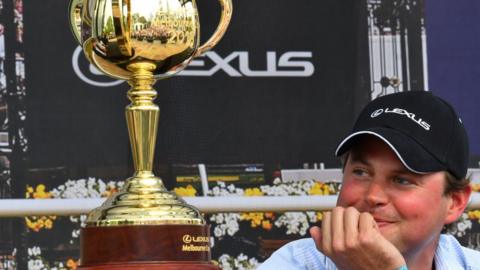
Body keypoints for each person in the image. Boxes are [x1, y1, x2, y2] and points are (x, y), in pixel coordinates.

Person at [258, 91, 480, 270]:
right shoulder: (295, 263)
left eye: (402, 180)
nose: (373, 195)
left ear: (455, 202)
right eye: (361, 172)